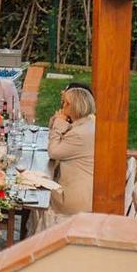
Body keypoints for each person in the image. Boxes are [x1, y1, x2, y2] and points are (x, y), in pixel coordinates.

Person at [47, 84, 96, 216]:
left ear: (75, 106)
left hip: (75, 199)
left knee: (39, 193)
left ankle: (40, 234)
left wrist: (58, 123)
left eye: (65, 103)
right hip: (88, 192)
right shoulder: (88, 122)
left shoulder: (80, 134)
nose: (62, 107)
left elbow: (53, 152)